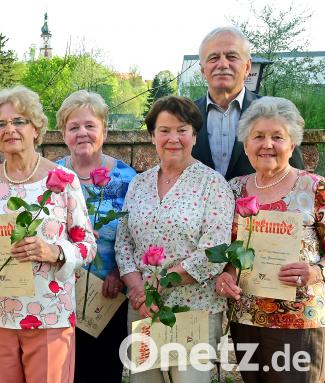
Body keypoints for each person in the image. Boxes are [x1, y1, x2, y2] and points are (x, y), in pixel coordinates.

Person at [0, 86, 97, 382]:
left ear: (36, 128)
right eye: (1, 124)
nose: (10, 129)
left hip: (50, 314)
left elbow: (86, 245)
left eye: (19, 121)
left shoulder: (63, 180)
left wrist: (55, 252)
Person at [116, 96, 234, 382]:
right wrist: (137, 290)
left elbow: (215, 251)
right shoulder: (139, 183)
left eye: (182, 130)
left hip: (193, 307)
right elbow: (124, 241)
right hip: (143, 306)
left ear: (194, 135)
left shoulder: (212, 183)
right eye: (164, 130)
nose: (173, 138)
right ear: (153, 136)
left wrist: (158, 284)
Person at [214, 97, 325, 382]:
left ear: (292, 143)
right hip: (246, 317)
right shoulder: (233, 189)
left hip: (299, 319)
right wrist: (226, 273)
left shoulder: (315, 187)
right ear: (246, 144)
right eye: (258, 136)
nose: (267, 144)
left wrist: (315, 271)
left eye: (277, 136)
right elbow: (227, 249)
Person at [54, 90, 135, 383]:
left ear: (104, 129)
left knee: (104, 372)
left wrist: (120, 272)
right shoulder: (52, 176)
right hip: (59, 294)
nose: (82, 133)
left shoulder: (129, 179)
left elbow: (138, 234)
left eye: (90, 125)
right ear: (63, 133)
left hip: (109, 295)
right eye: (73, 127)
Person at [192, 26, 304, 180]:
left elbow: (296, 177)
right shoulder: (186, 116)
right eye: (213, 58)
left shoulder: (277, 114)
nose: (223, 64)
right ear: (203, 70)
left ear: (248, 66)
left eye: (232, 56)